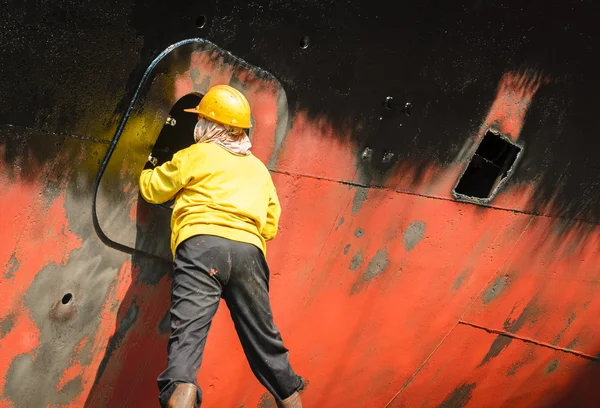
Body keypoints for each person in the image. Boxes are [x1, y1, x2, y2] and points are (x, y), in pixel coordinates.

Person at [138, 85, 305, 408]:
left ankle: (180, 392)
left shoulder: (196, 154)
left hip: (201, 248)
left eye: (200, 120)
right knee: (265, 343)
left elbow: (155, 190)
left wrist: (146, 173)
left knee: (186, 348)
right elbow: (270, 223)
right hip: (249, 255)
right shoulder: (258, 169)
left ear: (208, 125)